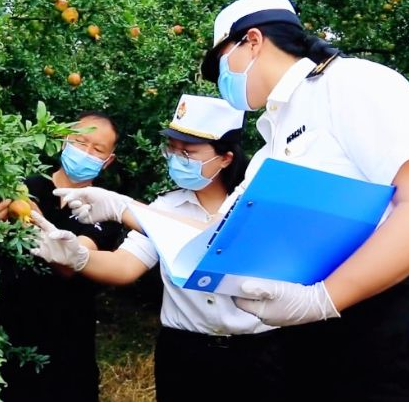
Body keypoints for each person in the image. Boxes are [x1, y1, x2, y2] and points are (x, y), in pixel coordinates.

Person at [48, 0, 409, 401]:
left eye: (219, 68)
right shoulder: (269, 147)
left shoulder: (349, 84)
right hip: (316, 338)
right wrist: (122, 211)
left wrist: (323, 298)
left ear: (252, 41)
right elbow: (216, 241)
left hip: (390, 328)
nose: (221, 85)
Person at [32, 95, 289, 401]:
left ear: (225, 158)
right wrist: (80, 257)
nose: (177, 158)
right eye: (173, 148)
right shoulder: (165, 206)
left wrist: (127, 209)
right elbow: (125, 265)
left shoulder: (257, 204)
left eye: (189, 152)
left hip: (258, 352)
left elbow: (220, 243)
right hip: (185, 352)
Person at [0, 111, 123, 402]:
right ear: (63, 141)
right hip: (8, 333)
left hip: (67, 343)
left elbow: (70, 263)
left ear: (107, 161)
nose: (86, 152)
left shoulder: (106, 210)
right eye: (80, 142)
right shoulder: (25, 185)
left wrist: (26, 213)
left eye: (97, 149)